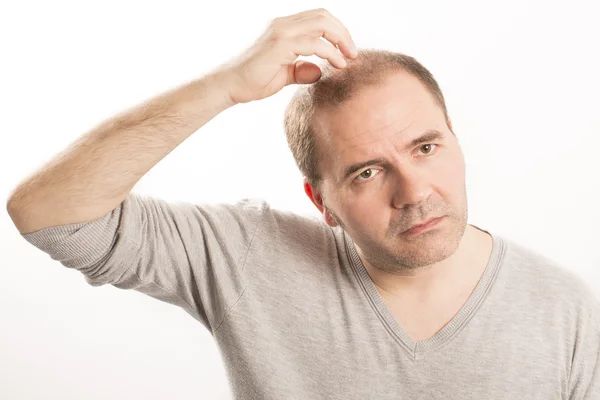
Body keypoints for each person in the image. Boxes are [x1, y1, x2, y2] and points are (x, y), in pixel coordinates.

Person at [6, 8, 599, 400]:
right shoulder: (247, 259)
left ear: (455, 140)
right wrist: (226, 85)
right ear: (324, 203)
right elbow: (49, 213)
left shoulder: (565, 314)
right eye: (367, 171)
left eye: (425, 146)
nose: (414, 193)